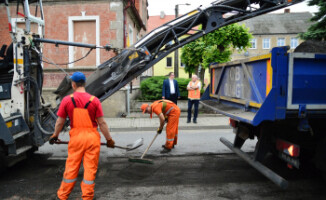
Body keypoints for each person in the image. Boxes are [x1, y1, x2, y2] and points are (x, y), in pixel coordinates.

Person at [49, 71, 115, 200]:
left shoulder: (67, 100)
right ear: (84, 84)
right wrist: (109, 139)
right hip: (92, 138)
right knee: (90, 169)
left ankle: (62, 196)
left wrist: (54, 135)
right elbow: (102, 122)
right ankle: (87, 197)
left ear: (73, 84)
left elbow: (60, 122)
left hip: (76, 138)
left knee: (71, 167)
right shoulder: (94, 100)